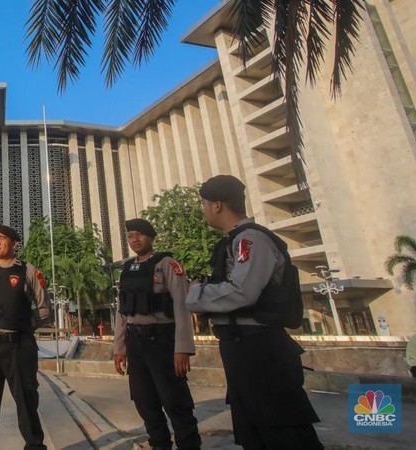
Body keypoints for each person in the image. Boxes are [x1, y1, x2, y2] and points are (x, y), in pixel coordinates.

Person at [185, 174, 323, 450]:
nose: (204, 211)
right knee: (255, 433)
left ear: (217, 205)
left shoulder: (251, 240)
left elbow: (242, 291)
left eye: (204, 204)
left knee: (282, 432)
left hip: (260, 348)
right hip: (242, 349)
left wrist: (193, 294)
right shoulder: (234, 241)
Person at [113, 218, 201, 450]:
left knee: (175, 402)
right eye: (131, 236)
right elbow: (122, 311)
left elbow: (182, 307)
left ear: (151, 237)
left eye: (139, 235)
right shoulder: (127, 269)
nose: (134, 240)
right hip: (136, 342)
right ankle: (160, 444)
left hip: (162, 340)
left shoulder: (168, 264)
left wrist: (182, 348)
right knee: (144, 401)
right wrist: (119, 348)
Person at [0, 224, 50, 450]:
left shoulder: (30, 271)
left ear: (15, 244)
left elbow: (44, 310)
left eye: (1, 238)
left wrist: (23, 325)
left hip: (19, 348)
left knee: (27, 404)